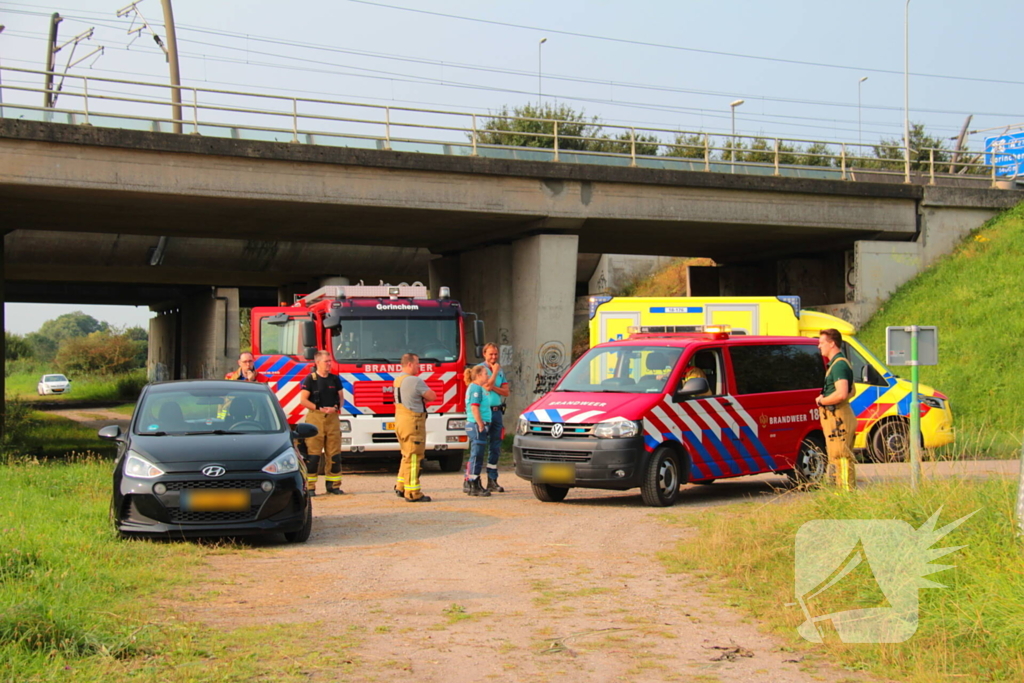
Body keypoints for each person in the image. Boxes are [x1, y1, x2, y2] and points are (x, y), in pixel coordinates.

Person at [298, 350, 344, 496]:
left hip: (332, 419)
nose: (329, 364)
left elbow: (341, 398)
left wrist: (336, 408)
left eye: (330, 361)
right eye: (326, 361)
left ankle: (333, 485)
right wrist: (318, 408)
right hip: (315, 418)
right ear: (318, 363)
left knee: (334, 454)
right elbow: (303, 400)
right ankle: (310, 487)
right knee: (313, 455)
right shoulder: (310, 379)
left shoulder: (335, 379)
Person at [816, 328, 857, 491]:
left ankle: (846, 493)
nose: (819, 346)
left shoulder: (839, 365)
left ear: (832, 343)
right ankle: (841, 491)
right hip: (836, 416)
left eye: (822, 342)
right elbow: (852, 391)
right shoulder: (837, 364)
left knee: (842, 456)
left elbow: (841, 394)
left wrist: (822, 401)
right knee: (836, 455)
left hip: (838, 416)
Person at [393, 353, 436, 502]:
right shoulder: (414, 380)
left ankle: (401, 486)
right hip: (413, 422)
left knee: (406, 455)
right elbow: (432, 396)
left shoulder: (398, 380)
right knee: (414, 457)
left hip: (401, 420)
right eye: (417, 363)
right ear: (410, 364)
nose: (419, 366)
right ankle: (412, 492)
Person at [475, 343, 510, 493]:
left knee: (495, 446)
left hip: (496, 412)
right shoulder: (479, 369)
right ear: (484, 354)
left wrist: (494, 386)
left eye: (496, 354)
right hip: (484, 412)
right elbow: (485, 386)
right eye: (491, 354)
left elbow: (506, 392)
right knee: (479, 446)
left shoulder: (500, 370)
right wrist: (494, 372)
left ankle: (492, 479)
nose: (494, 357)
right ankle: (472, 479)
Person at [463, 365, 492, 497]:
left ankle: (469, 481)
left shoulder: (477, 388)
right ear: (479, 375)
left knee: (475, 455)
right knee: (477, 455)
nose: (487, 376)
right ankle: (474, 484)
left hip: (475, 424)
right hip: (476, 425)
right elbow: (474, 407)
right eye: (486, 373)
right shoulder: (476, 388)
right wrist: (480, 423)